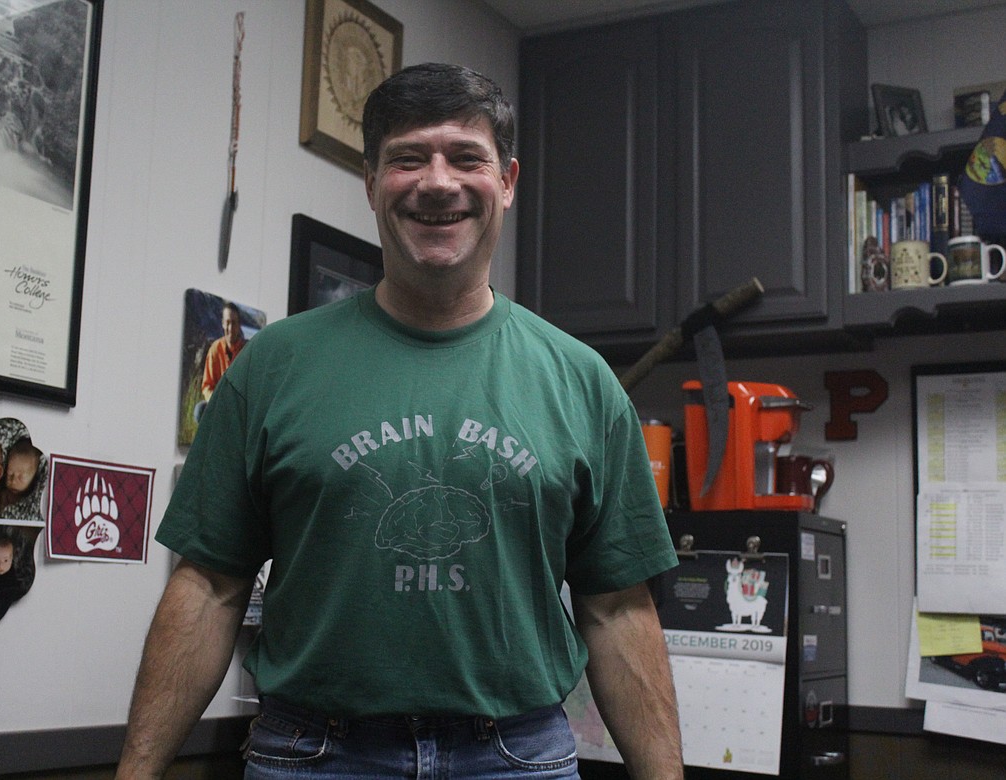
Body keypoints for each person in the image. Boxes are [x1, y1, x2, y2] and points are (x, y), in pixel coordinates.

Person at [117, 63, 682, 779]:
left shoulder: (583, 382)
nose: (437, 182)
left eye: (466, 158)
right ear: (371, 183)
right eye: (408, 158)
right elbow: (208, 587)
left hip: (517, 756)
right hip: (313, 755)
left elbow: (618, 609)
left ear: (507, 180)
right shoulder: (271, 367)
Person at [192, 302, 247, 423]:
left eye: (234, 323)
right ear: (222, 323)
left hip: (240, 409)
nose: (230, 328)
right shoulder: (215, 349)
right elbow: (207, 386)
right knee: (199, 410)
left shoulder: (247, 351)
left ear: (239, 325)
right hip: (218, 406)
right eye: (227, 323)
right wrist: (217, 403)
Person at [0, 437, 42, 515]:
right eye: (9, 474)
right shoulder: (4, 494)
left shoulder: (34, 498)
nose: (13, 481)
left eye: (21, 477)